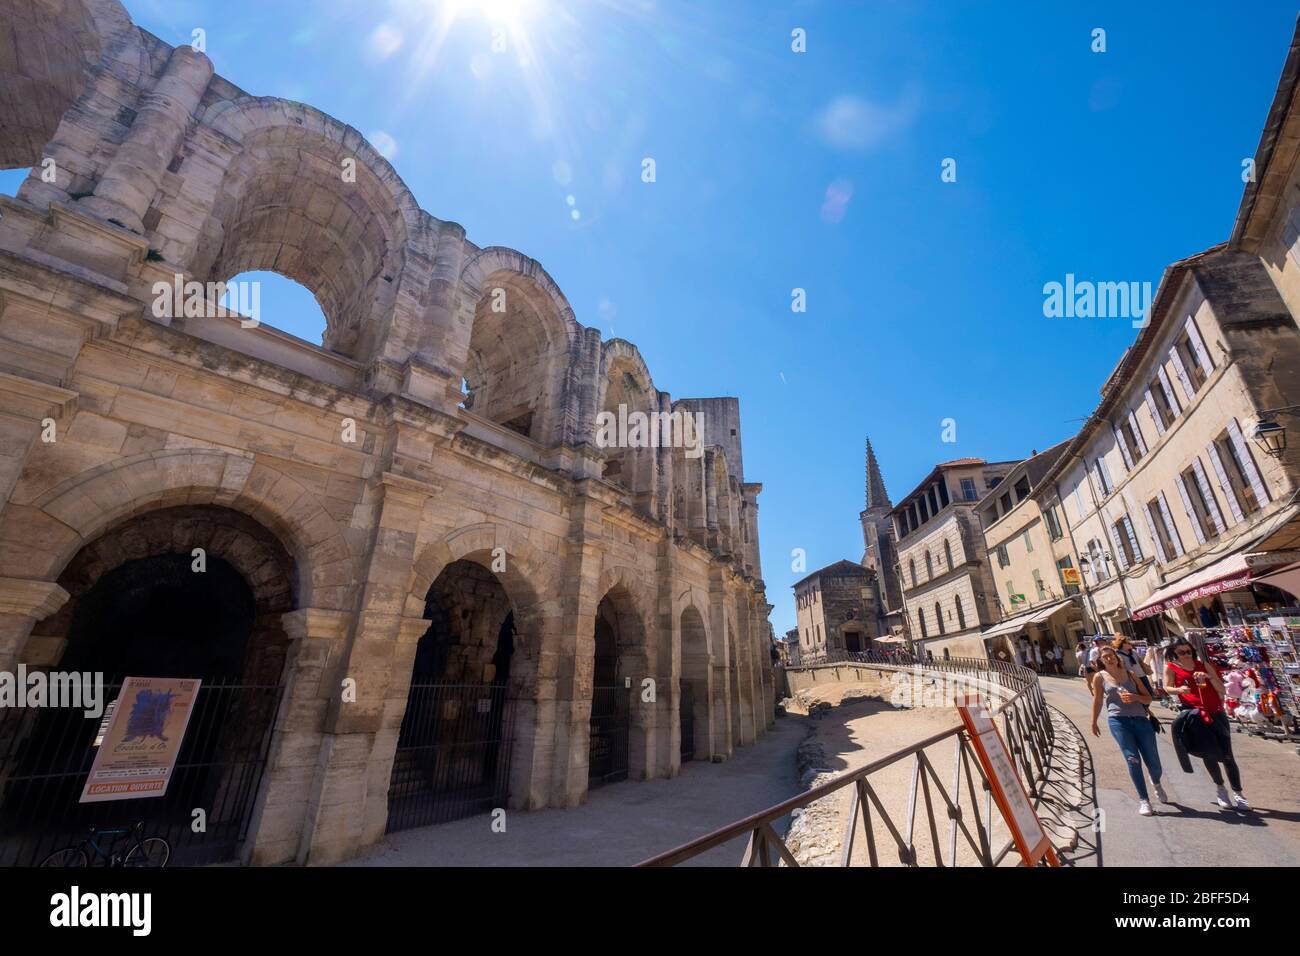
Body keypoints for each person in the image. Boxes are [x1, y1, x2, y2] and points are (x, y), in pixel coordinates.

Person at [1164, 639, 1249, 810]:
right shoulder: (1171, 667)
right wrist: (1179, 690)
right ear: (1175, 653)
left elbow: (1222, 690)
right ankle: (1220, 789)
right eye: (1182, 652)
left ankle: (1238, 794)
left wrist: (1209, 677)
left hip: (1216, 712)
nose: (1186, 655)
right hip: (1195, 715)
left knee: (1227, 755)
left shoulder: (1203, 665)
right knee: (1208, 753)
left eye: (1189, 651)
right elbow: (1167, 687)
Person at [1091, 643, 1165, 816]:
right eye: (1105, 657)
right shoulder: (1099, 677)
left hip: (1141, 721)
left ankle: (1156, 783)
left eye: (1111, 655)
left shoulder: (1131, 675)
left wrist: (1135, 697)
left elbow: (1148, 699)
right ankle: (1144, 800)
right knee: (1132, 759)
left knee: (1153, 761)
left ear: (1117, 658)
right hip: (1118, 721)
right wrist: (1093, 722)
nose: (1109, 658)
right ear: (1101, 660)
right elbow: (1098, 700)